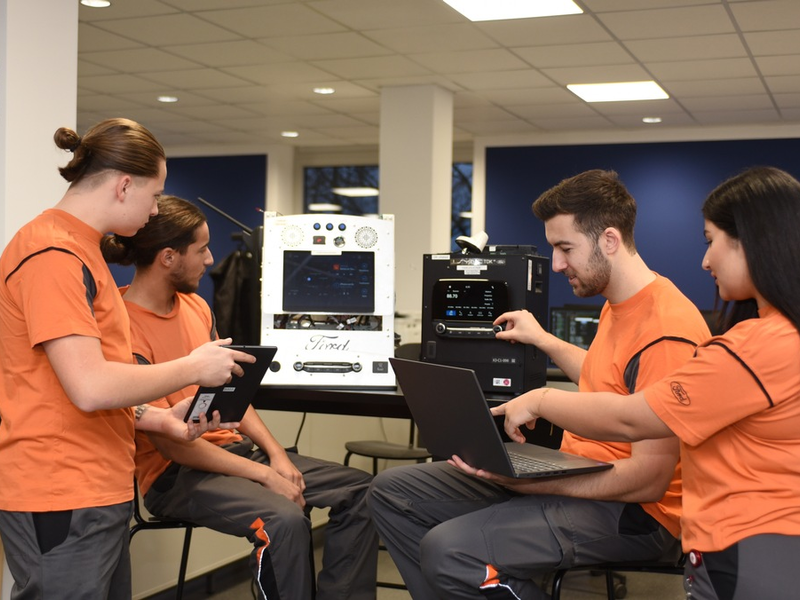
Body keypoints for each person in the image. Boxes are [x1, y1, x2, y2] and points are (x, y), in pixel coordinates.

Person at [368, 169, 711, 599]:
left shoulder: (667, 328)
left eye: (565, 248)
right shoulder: (618, 305)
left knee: (449, 551)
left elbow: (648, 479)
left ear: (609, 240)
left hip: (636, 513)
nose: (558, 264)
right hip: (584, 477)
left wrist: (533, 479)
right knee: (391, 493)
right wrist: (544, 340)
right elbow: (613, 377)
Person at [493, 166, 800, 600]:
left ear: (755, 241)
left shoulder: (757, 347)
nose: (705, 260)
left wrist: (542, 399)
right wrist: (545, 342)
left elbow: (634, 417)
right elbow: (615, 379)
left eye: (712, 241)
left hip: (750, 540)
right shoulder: (779, 336)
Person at [0, 118, 252, 599]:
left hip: (97, 486)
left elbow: (70, 382)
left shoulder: (82, 250)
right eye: (154, 195)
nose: (155, 209)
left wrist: (160, 421)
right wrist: (194, 368)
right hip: (61, 489)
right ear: (123, 185)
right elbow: (89, 386)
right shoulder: (52, 253)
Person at [104, 195, 379, 600]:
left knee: (364, 492)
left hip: (236, 455)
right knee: (284, 519)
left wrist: (277, 455)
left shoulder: (196, 307)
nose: (211, 260)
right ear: (168, 257)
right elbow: (171, 444)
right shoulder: (121, 324)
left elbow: (232, 393)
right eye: (201, 250)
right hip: (176, 476)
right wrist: (265, 475)